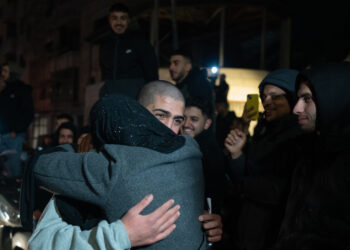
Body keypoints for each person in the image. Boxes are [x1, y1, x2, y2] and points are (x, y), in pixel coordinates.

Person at [26, 81, 221, 249]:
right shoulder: (94, 162)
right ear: (136, 114)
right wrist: (120, 235)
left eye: (177, 120)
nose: (168, 130)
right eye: (160, 116)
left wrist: (202, 225)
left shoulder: (184, 162)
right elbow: (40, 244)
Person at [224, 69, 302, 250]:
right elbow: (249, 171)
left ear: (292, 98)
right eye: (264, 96)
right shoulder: (264, 131)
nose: (266, 102)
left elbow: (281, 191)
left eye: (275, 96)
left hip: (273, 232)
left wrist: (241, 185)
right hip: (248, 227)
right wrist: (236, 154)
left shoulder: (298, 138)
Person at [276, 62, 350, 250]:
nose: (296, 109)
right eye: (298, 99)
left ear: (334, 98)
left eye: (307, 99)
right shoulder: (309, 151)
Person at [181, 98, 225, 247]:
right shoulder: (187, 146)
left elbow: (213, 198)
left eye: (194, 119)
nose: (186, 124)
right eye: (183, 118)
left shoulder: (207, 153)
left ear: (207, 124)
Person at [99, 3, 158, 98]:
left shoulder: (140, 42)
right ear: (109, 20)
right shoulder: (105, 45)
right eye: (114, 18)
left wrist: (150, 96)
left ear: (128, 20)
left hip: (135, 97)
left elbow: (151, 72)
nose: (119, 22)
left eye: (123, 18)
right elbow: (104, 73)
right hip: (112, 97)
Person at [0, 61, 34, 177]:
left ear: (13, 73)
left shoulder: (22, 90)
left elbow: (28, 113)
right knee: (3, 168)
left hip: (13, 136)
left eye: (5, 71)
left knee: (13, 168)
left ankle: (14, 192)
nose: (2, 73)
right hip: (2, 134)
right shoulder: (4, 90)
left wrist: (17, 130)